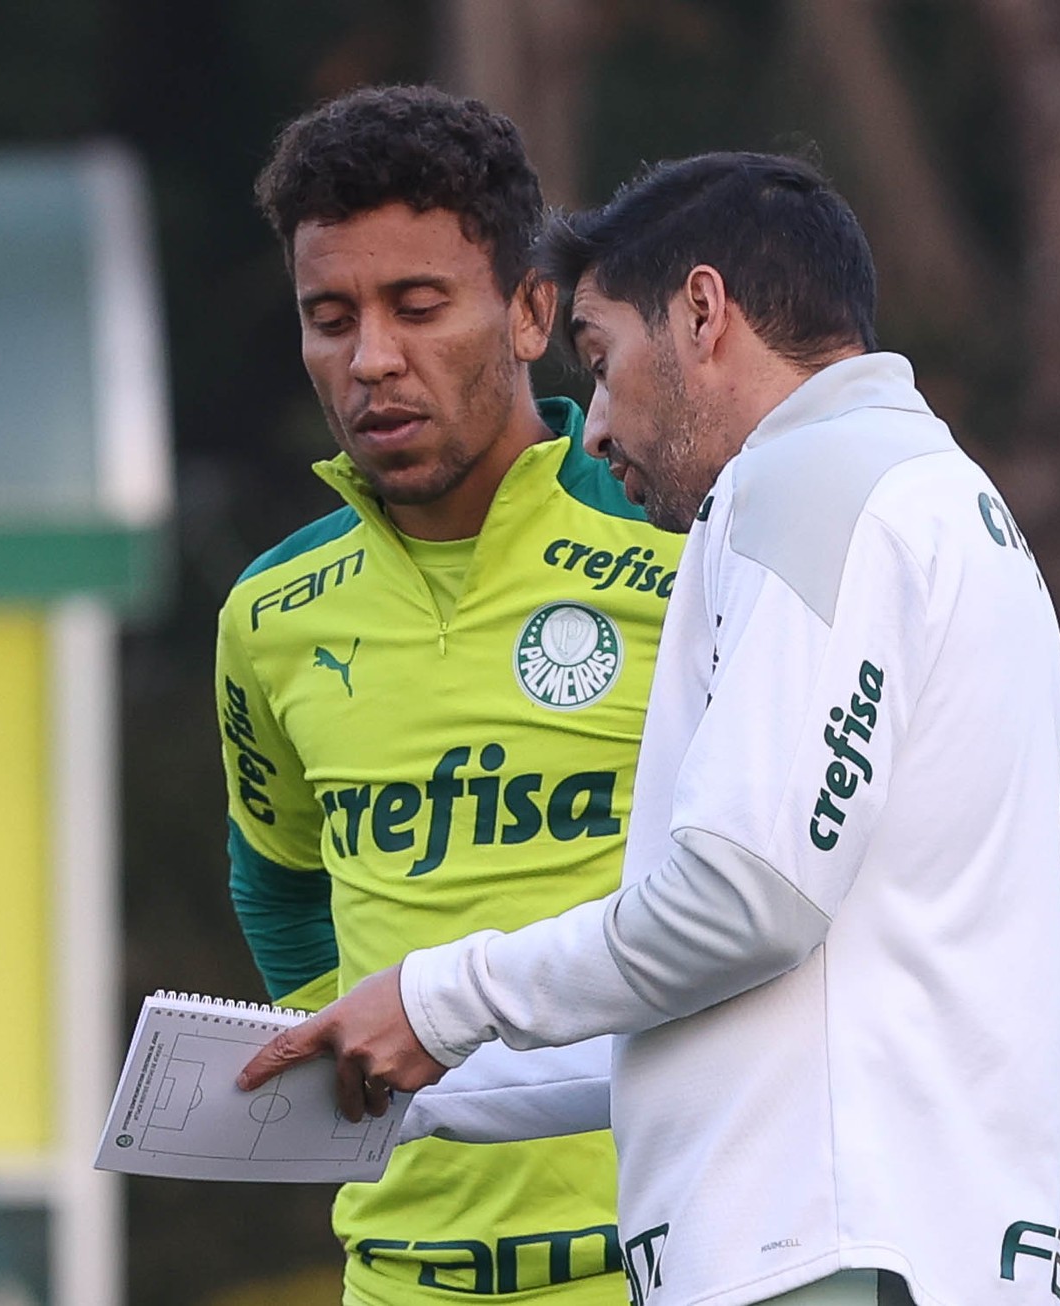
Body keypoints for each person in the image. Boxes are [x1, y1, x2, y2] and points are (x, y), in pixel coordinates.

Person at [240, 151, 1060, 1306]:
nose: (598, 426)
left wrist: (442, 994)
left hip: (814, 1255)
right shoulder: (944, 498)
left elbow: (741, 904)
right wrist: (410, 1073)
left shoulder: (804, 488)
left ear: (701, 313)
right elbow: (737, 996)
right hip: (907, 1240)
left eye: (603, 358)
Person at [216, 84, 683, 1306]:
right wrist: (346, 1061)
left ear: (532, 312)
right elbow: (277, 875)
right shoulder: (269, 615)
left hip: (664, 1261)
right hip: (396, 1276)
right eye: (331, 317)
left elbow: (985, 758)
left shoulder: (696, 541)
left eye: (418, 306)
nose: (371, 359)